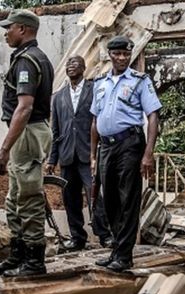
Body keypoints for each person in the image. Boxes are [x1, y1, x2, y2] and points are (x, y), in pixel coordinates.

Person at [0, 9, 54, 277]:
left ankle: (35, 262)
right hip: (26, 134)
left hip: (27, 132)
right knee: (15, 198)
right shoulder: (34, 58)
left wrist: (3, 150)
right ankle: (17, 256)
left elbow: (24, 108)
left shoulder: (28, 60)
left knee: (28, 198)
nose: (6, 33)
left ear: (23, 29)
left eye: (9, 28)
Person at [90, 35, 162, 272]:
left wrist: (148, 153)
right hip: (106, 147)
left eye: (126, 54)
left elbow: (152, 115)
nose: (122, 58)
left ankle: (124, 256)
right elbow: (94, 121)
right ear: (109, 55)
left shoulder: (141, 81)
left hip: (130, 144)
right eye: (117, 54)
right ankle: (115, 251)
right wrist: (93, 155)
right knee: (109, 200)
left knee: (128, 199)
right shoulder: (100, 83)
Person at [45, 56, 114, 252]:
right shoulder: (58, 97)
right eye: (68, 64)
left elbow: (100, 121)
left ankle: (104, 235)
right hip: (67, 156)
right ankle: (77, 238)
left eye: (75, 64)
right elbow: (56, 131)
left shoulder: (94, 91)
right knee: (70, 198)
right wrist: (52, 159)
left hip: (88, 154)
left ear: (84, 68)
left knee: (94, 196)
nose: (70, 67)